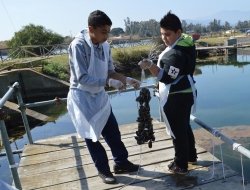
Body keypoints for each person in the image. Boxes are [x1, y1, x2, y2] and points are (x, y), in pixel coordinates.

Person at [67, 10, 141, 184]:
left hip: (99, 96)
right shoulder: (78, 45)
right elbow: (82, 78)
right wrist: (108, 82)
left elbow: (110, 71)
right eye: (104, 32)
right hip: (82, 98)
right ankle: (103, 170)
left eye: (108, 31)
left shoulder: (105, 46)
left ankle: (121, 162)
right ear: (91, 28)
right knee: (92, 137)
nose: (107, 36)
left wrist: (126, 79)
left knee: (112, 131)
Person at [139, 11, 197, 175]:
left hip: (177, 96)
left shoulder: (176, 54)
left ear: (178, 32)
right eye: (162, 34)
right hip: (187, 93)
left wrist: (150, 65)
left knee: (176, 131)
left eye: (168, 35)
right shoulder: (187, 42)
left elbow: (166, 78)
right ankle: (191, 156)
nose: (164, 38)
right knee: (184, 126)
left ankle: (181, 164)